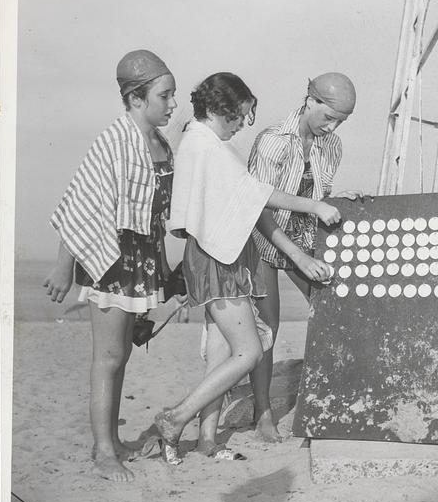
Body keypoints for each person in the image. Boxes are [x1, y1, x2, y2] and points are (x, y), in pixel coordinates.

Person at [150, 72, 340, 464]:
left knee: (220, 355)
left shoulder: (199, 141)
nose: (240, 127)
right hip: (216, 259)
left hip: (217, 256)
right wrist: (315, 206)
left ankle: (206, 439)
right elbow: (260, 196)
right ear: (223, 109)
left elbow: (245, 204)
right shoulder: (207, 147)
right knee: (249, 351)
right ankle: (176, 418)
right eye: (239, 117)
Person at [44, 50, 178, 482]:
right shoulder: (113, 140)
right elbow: (81, 204)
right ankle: (103, 452)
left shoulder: (159, 143)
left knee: (121, 359)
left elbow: (158, 216)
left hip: (142, 260)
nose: (172, 104)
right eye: (165, 95)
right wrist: (64, 267)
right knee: (108, 356)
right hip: (110, 259)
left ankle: (114, 442)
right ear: (136, 98)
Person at [246, 72, 362, 441]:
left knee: (336, 312)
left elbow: (314, 195)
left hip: (305, 238)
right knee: (267, 331)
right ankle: (263, 412)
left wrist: (343, 197)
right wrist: (299, 257)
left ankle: (332, 396)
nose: (333, 126)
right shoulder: (272, 142)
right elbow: (258, 208)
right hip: (263, 239)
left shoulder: (333, 145)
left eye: (341, 121)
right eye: (329, 117)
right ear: (310, 100)